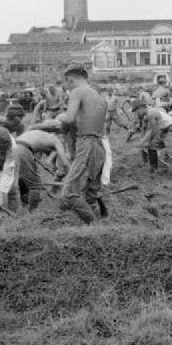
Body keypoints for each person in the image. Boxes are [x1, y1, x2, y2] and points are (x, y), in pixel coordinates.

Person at [57, 63, 107, 224]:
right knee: (91, 194)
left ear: (70, 79)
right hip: (99, 146)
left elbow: (69, 118)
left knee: (69, 193)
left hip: (85, 144)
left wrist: (59, 118)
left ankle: (93, 226)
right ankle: (96, 224)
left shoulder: (77, 92)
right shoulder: (99, 97)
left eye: (67, 82)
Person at [11, 128, 71, 212]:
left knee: (22, 178)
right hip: (22, 150)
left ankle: (24, 204)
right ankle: (32, 212)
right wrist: (72, 177)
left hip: (11, 147)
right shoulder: (56, 140)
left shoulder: (40, 135)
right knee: (35, 186)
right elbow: (65, 162)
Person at [133, 101, 172, 179]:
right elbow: (147, 129)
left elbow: (153, 130)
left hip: (169, 130)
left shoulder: (151, 113)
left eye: (136, 110)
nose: (136, 113)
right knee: (151, 147)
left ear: (141, 108)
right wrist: (145, 141)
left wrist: (144, 141)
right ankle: (153, 170)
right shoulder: (147, 114)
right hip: (162, 130)